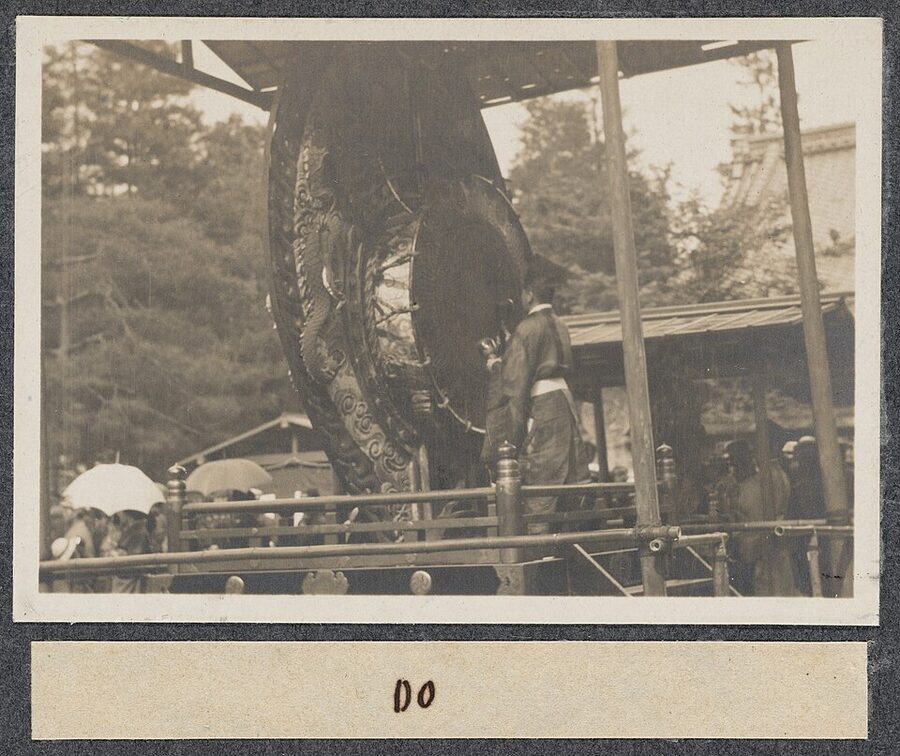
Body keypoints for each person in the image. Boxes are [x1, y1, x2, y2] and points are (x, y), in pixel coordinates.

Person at [500, 264, 590, 536]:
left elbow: (515, 386)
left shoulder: (527, 328)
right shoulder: (561, 325)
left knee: (540, 478)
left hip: (543, 405)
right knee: (570, 476)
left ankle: (537, 556)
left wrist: (511, 442)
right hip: (564, 401)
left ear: (528, 294)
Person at [722, 440, 794, 596]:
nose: (734, 468)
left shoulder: (758, 483)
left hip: (757, 549)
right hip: (761, 547)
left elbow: (746, 509)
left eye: (737, 462)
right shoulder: (771, 477)